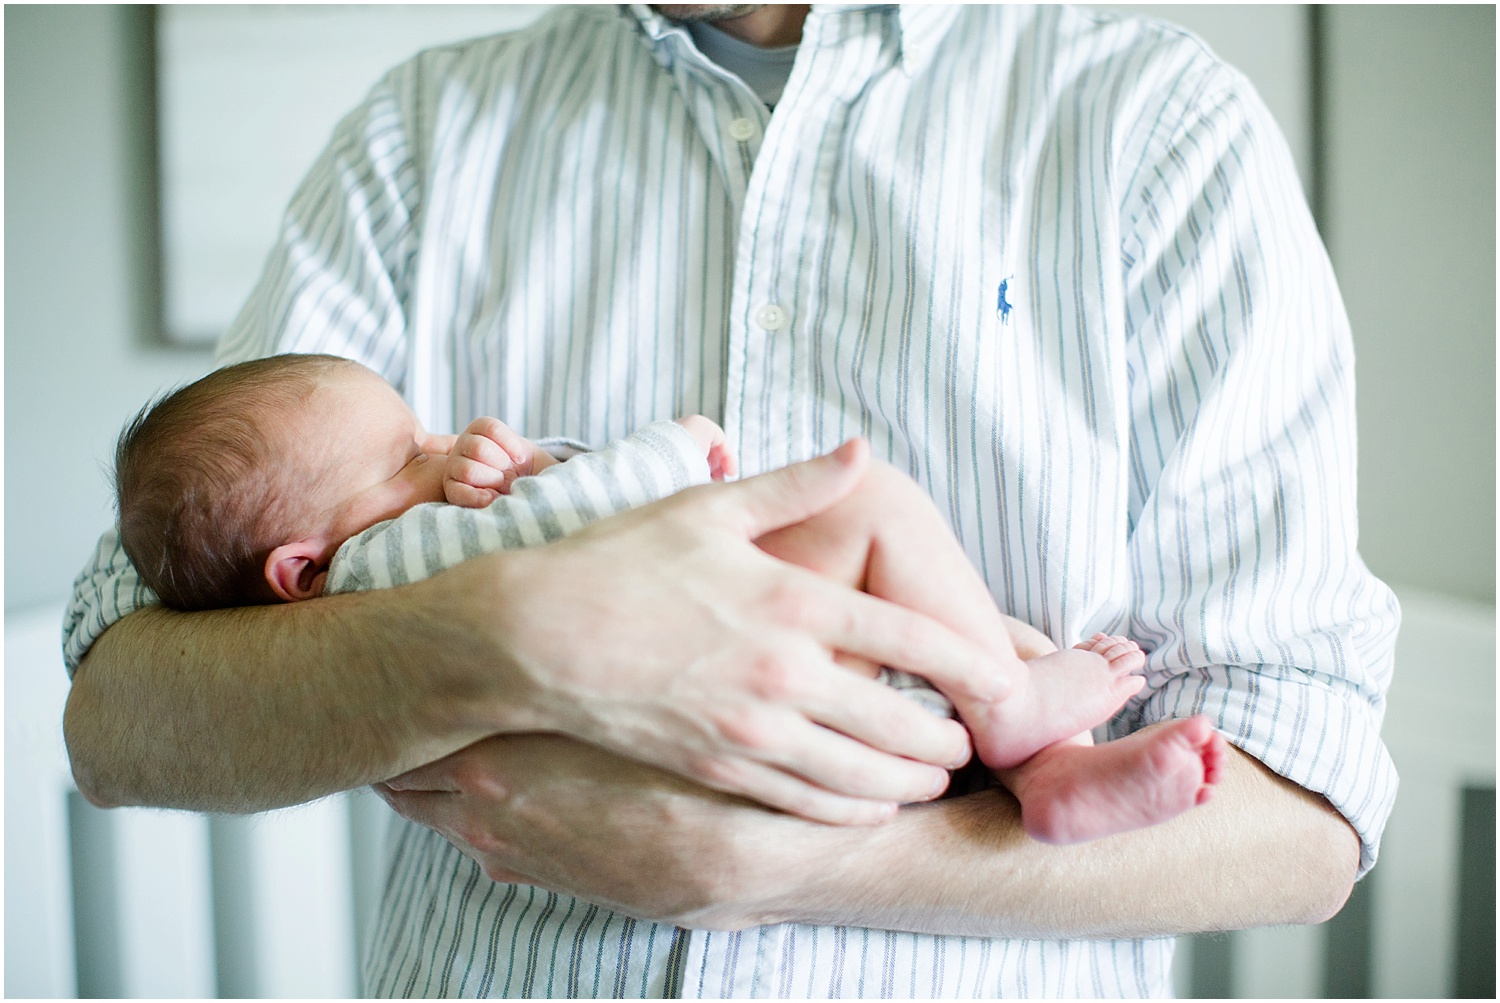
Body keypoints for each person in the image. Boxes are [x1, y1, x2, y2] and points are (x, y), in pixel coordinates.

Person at [63, 4, 1400, 997]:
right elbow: (121, 715)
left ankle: (1024, 728)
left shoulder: (1156, 124)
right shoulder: (419, 139)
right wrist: (494, 640)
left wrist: (784, 861)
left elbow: (1307, 821)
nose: (452, 442)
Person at [113, 350, 1224, 845]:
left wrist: (519, 467)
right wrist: (671, 450)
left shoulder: (376, 555)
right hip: (813, 696)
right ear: (299, 570)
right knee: (875, 505)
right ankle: (1023, 723)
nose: (445, 443)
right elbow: (581, 523)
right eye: (407, 450)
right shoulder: (386, 566)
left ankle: (1045, 762)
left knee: (979, 620)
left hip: (817, 714)